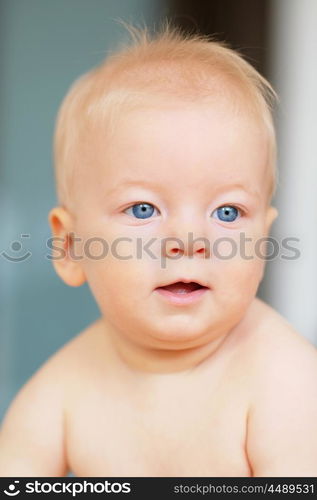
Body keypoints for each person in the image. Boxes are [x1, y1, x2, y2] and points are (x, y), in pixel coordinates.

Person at [0, 21, 316, 477]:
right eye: (144, 209)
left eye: (227, 213)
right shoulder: (60, 393)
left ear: (263, 245)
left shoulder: (286, 382)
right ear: (70, 247)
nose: (189, 241)